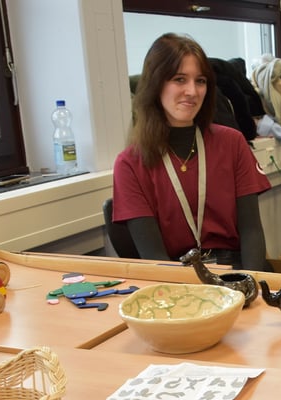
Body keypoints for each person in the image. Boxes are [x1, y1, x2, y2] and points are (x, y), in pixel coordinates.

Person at [112, 33, 270, 271]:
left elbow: (252, 232)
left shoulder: (232, 143)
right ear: (156, 84)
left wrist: (251, 286)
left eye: (200, 81)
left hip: (235, 272)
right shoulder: (130, 163)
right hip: (176, 278)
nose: (192, 91)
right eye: (179, 79)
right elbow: (154, 257)